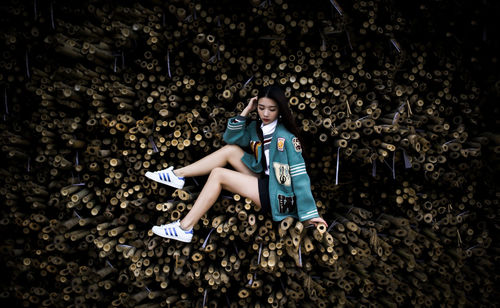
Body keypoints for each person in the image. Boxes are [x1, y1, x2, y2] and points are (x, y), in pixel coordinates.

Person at [146, 85, 327, 242]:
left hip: (277, 193)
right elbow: (230, 138)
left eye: (271, 109)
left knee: (218, 174)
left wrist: (310, 215)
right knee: (230, 151)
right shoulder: (257, 128)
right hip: (263, 178)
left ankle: (185, 227)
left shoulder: (286, 138)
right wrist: (246, 111)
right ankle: (177, 175)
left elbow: (300, 176)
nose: (265, 113)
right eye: (261, 108)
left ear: (280, 109)